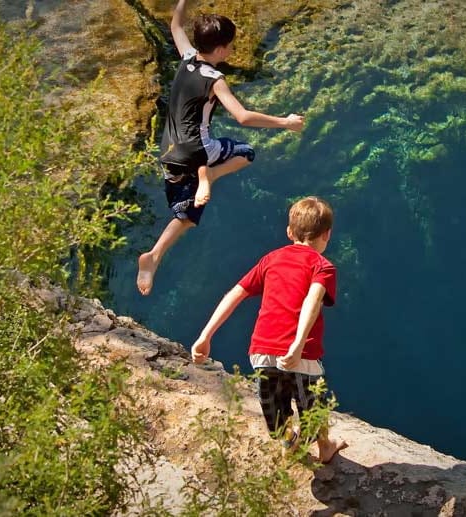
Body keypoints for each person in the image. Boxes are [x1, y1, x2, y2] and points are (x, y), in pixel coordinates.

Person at [136, 0, 305, 296]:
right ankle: (209, 177)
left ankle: (154, 256)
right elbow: (242, 116)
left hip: (168, 150)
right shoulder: (215, 80)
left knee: (186, 212)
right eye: (229, 46)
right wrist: (285, 122)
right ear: (219, 49)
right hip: (198, 150)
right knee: (246, 153)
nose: (230, 51)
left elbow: (175, 25)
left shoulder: (188, 57)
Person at [190, 196, 348, 463]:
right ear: (327, 235)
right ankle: (324, 447)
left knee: (275, 410)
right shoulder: (323, 267)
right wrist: (297, 345)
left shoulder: (271, 259)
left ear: (289, 232)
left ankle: (289, 442)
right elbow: (313, 300)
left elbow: (235, 294)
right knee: (313, 405)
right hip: (302, 354)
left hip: (261, 350)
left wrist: (205, 335)